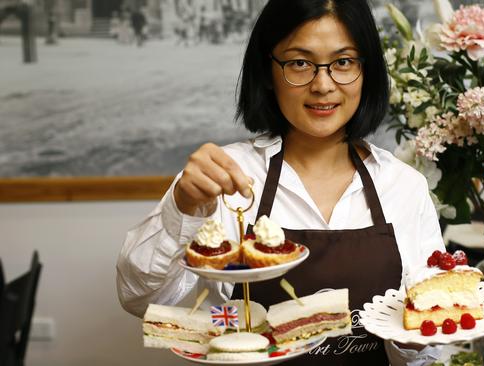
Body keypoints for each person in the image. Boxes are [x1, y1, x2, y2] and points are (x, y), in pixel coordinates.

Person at [117, 0, 444, 364]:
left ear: (366, 72)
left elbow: (430, 347)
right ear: (268, 72)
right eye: (299, 63)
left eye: (343, 62)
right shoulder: (222, 178)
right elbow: (141, 300)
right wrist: (183, 206)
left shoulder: (404, 187)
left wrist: (417, 341)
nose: (323, 84)